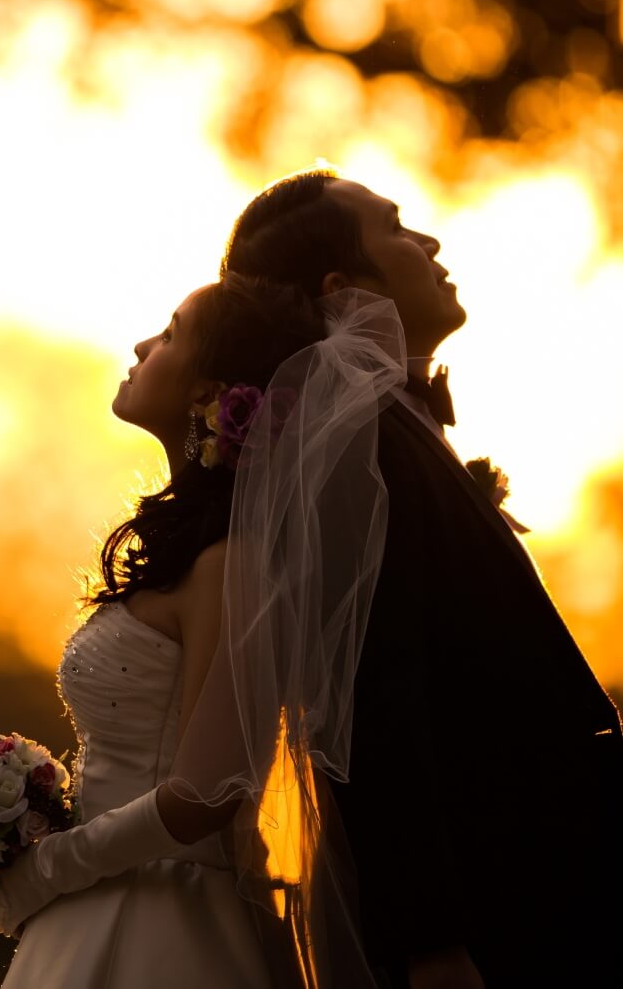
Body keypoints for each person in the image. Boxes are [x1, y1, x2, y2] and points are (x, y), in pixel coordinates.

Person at [222, 167, 623, 989]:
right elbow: (371, 697)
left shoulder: (395, 424)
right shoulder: (350, 447)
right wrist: (430, 942)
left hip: (559, 867)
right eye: (398, 228)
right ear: (342, 288)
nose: (431, 241)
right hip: (498, 903)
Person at [0, 272, 339, 987]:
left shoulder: (228, 563)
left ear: (212, 393)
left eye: (171, 333)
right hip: (93, 908)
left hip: (161, 925)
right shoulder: (192, 550)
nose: (143, 344)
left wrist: (50, 867)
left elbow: (210, 792)